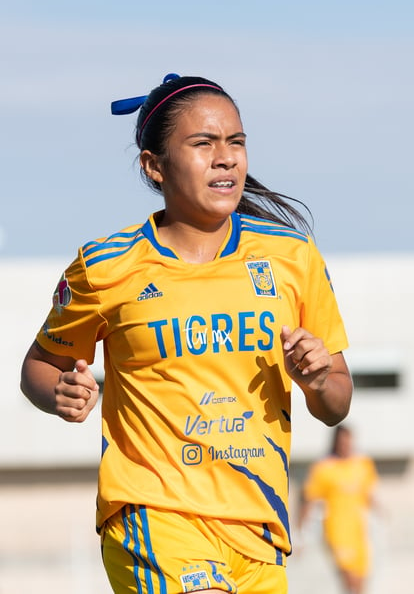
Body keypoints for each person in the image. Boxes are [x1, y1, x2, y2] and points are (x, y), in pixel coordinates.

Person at [20, 73, 353, 594]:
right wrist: (59, 392)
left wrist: (316, 377)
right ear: (154, 166)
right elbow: (39, 366)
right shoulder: (106, 265)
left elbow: (336, 403)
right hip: (154, 514)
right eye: (203, 143)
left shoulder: (293, 257)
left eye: (236, 142)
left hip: (259, 529)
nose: (227, 157)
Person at [297, 425, 378, 594]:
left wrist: (381, 514)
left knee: (360, 583)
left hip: (359, 532)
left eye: (348, 441)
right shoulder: (324, 468)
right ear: (335, 442)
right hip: (337, 532)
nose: (345, 445)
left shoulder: (363, 464)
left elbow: (368, 495)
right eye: (342, 441)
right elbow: (309, 499)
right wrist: (300, 533)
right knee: (350, 580)